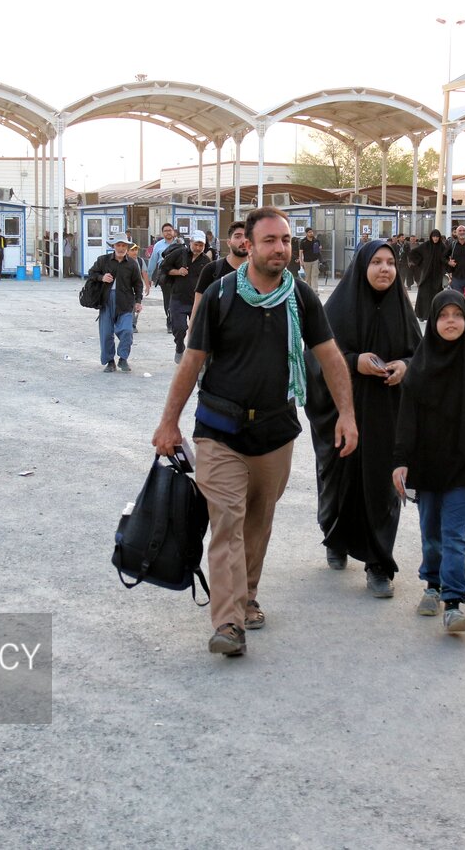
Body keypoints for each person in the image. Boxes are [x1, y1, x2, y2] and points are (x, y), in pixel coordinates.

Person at [151, 207, 358, 657]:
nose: (280, 248)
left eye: (286, 240)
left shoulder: (301, 298)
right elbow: (193, 361)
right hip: (219, 430)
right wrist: (169, 421)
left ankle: (247, 594)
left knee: (258, 521)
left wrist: (347, 414)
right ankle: (228, 622)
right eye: (270, 240)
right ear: (249, 244)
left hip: (275, 431)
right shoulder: (222, 294)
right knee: (227, 521)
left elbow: (329, 355)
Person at [305, 238, 420, 597]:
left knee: (384, 486)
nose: (384, 269)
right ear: (362, 267)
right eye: (376, 263)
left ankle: (378, 564)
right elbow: (314, 358)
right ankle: (336, 538)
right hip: (344, 412)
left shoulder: (403, 309)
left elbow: (424, 358)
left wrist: (405, 366)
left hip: (388, 415)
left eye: (390, 262)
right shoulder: (337, 308)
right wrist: (353, 362)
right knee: (340, 481)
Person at [392, 289, 465, 634]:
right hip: (426, 463)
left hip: (464, 466)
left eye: (458, 315)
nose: (450, 322)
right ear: (433, 321)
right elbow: (406, 419)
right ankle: (432, 585)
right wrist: (401, 460)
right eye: (443, 316)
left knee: (454, 535)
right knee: (431, 534)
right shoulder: (419, 366)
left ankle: (453, 602)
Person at [86, 235, 144, 372]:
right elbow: (91, 273)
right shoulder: (103, 261)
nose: (121, 248)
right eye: (118, 245)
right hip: (106, 301)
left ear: (127, 247)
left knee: (127, 331)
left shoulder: (132, 264)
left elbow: (138, 284)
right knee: (106, 333)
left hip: (125, 302)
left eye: (124, 245)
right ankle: (109, 361)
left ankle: (123, 359)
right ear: (113, 246)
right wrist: (101, 277)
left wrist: (138, 301)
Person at [192, 220, 247, 324]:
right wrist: (191, 337)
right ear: (228, 242)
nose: (243, 241)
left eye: (247, 236)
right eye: (237, 236)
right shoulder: (212, 270)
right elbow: (197, 307)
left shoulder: (260, 273)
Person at [171, 231, 210, 363]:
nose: (198, 248)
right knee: (179, 328)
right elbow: (163, 268)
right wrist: (177, 271)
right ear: (190, 242)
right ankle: (179, 347)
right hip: (178, 298)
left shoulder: (206, 261)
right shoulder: (179, 254)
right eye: (196, 244)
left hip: (196, 301)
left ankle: (194, 357)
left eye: (201, 245)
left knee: (197, 331)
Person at [410, 229, 449, 320]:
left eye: (437, 237)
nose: (435, 238)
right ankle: (422, 315)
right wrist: (420, 263)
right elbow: (413, 253)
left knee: (436, 295)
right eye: (434, 236)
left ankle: (435, 315)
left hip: (437, 275)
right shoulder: (425, 245)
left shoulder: (442, 247)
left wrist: (446, 269)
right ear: (431, 237)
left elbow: (446, 258)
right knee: (424, 295)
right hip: (426, 274)